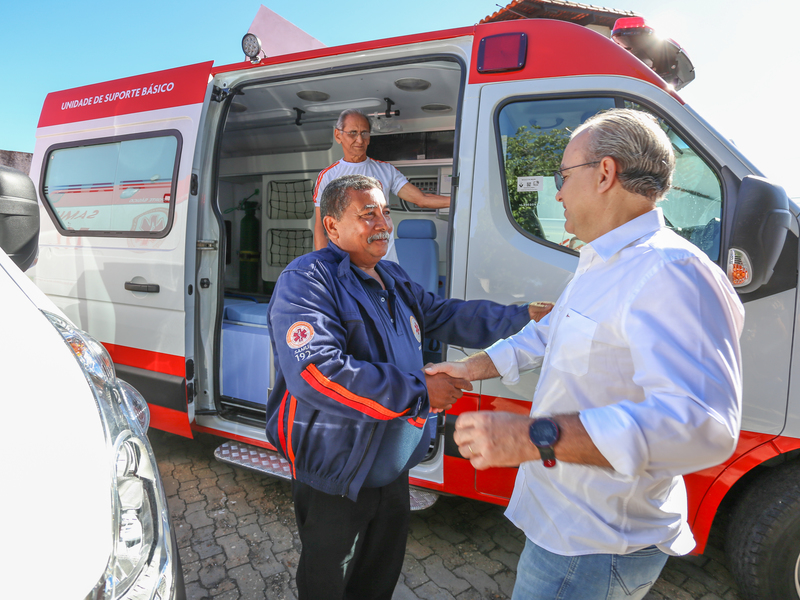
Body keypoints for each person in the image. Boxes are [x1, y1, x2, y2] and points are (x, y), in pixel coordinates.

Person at [425, 108, 745, 600]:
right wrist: (471, 367)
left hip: (595, 546)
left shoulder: (670, 271)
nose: (556, 191)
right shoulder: (602, 262)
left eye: (563, 175)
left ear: (605, 173)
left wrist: (537, 436)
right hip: (568, 527)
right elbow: (549, 333)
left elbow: (702, 425)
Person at [266, 174, 551, 600]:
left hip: (392, 464)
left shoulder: (391, 276)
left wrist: (521, 316)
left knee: (379, 573)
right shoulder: (308, 280)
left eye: (385, 211)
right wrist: (419, 392)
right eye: (367, 214)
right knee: (328, 580)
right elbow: (317, 373)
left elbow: (446, 314)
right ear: (331, 227)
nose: (383, 223)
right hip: (338, 469)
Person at [312, 108, 450, 261]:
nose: (359, 139)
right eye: (353, 133)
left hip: (385, 264)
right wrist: (326, 266)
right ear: (338, 135)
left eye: (364, 133)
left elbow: (421, 199)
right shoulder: (328, 175)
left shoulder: (386, 170)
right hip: (347, 265)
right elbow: (321, 227)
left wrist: (460, 201)